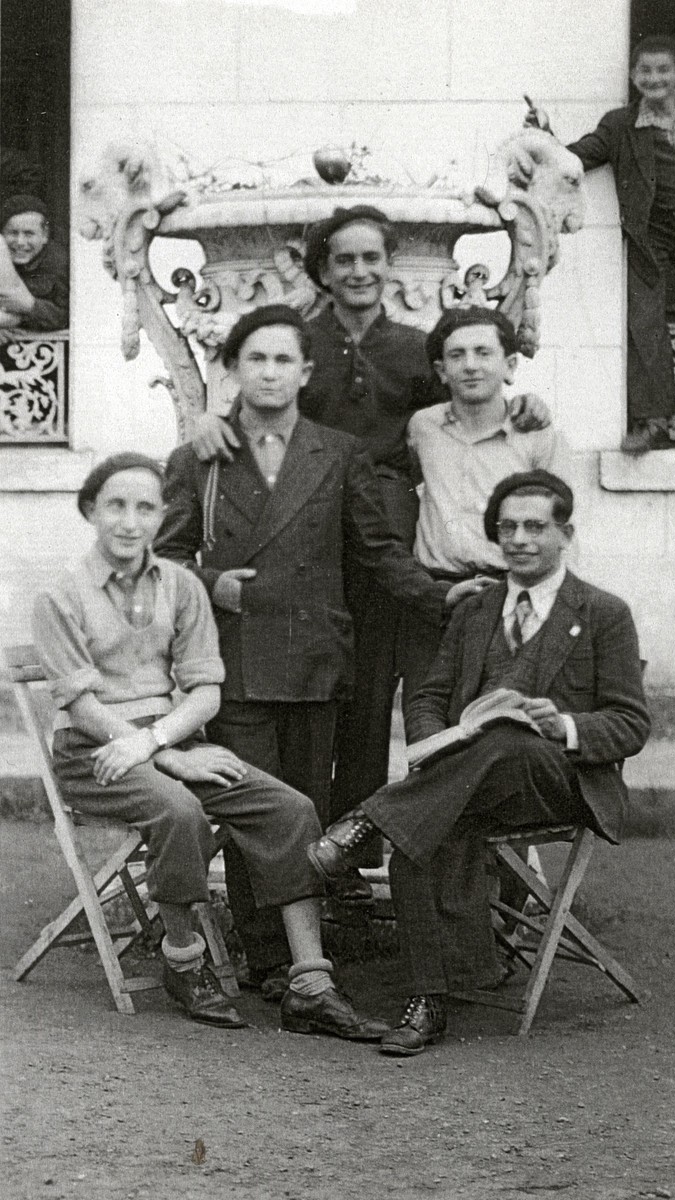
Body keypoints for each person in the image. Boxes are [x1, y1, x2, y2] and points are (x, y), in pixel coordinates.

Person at [189, 206, 549, 832]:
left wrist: (522, 403)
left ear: (389, 265)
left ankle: (355, 847)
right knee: (315, 701)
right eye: (344, 260)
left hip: (390, 542)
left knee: (374, 701)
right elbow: (252, 406)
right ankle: (297, 840)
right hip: (305, 537)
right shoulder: (298, 343)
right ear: (323, 271)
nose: (359, 272)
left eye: (371, 258)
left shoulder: (416, 348)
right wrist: (205, 421)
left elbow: (464, 416)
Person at [155, 304, 477, 998]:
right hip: (236, 659)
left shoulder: (338, 452)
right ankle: (271, 957)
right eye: (256, 360)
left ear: (304, 372)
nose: (269, 373)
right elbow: (166, 555)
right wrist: (214, 585)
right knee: (251, 806)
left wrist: (436, 597)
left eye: (282, 361)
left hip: (317, 657)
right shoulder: (199, 458)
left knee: (308, 800)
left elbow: (378, 550)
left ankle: (310, 949)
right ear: (233, 370)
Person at [32, 451, 389, 1042]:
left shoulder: (179, 586)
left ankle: (310, 984)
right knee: (178, 810)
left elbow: (205, 691)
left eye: (145, 507)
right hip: (94, 753)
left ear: (160, 515)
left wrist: (161, 743)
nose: (130, 521)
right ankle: (184, 961)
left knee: (291, 808)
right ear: (91, 510)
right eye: (116, 505)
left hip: (168, 739)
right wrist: (164, 754)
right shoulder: (62, 596)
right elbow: (83, 709)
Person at [308, 470, 651, 1055]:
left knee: (505, 741)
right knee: (422, 826)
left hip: (557, 780)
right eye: (507, 527)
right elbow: (428, 695)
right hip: (467, 781)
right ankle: (426, 1002)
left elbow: (630, 723)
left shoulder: (601, 612)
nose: (519, 538)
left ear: (564, 533)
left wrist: (562, 725)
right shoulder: (475, 608)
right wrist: (433, 742)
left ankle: (366, 818)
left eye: (535, 526)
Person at [532, 36, 675, 452]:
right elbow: (577, 158)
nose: (654, 78)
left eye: (664, 70)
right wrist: (544, 137)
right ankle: (654, 421)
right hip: (652, 238)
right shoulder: (620, 124)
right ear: (633, 76)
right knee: (646, 321)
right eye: (645, 70)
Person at [400, 306, 571, 711]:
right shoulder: (421, 428)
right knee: (429, 717)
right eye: (457, 356)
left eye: (483, 352)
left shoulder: (535, 433)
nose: (470, 366)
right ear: (441, 371)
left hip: (509, 593)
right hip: (438, 596)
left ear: (509, 364)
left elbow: (562, 525)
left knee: (502, 721)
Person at [0, 194, 69, 338]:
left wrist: (30, 306)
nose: (20, 242)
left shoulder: (60, 265)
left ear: (44, 236)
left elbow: (68, 317)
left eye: (29, 234)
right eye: (13, 233)